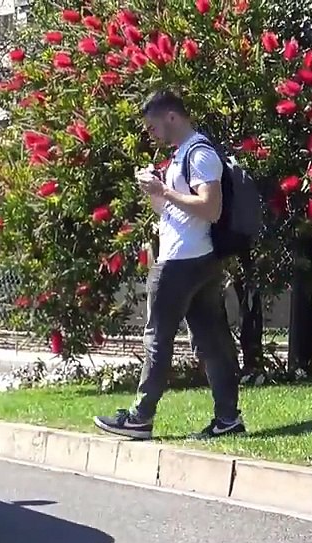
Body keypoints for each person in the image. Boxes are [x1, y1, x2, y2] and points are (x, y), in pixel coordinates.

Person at [94, 89, 244, 441]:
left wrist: (164, 190)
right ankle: (228, 419)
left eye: (152, 126)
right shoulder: (180, 156)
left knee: (157, 339)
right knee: (212, 341)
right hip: (194, 258)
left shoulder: (200, 153)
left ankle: (140, 418)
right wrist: (154, 192)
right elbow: (172, 212)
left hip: (182, 261)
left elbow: (210, 209)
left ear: (172, 117)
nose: (151, 134)